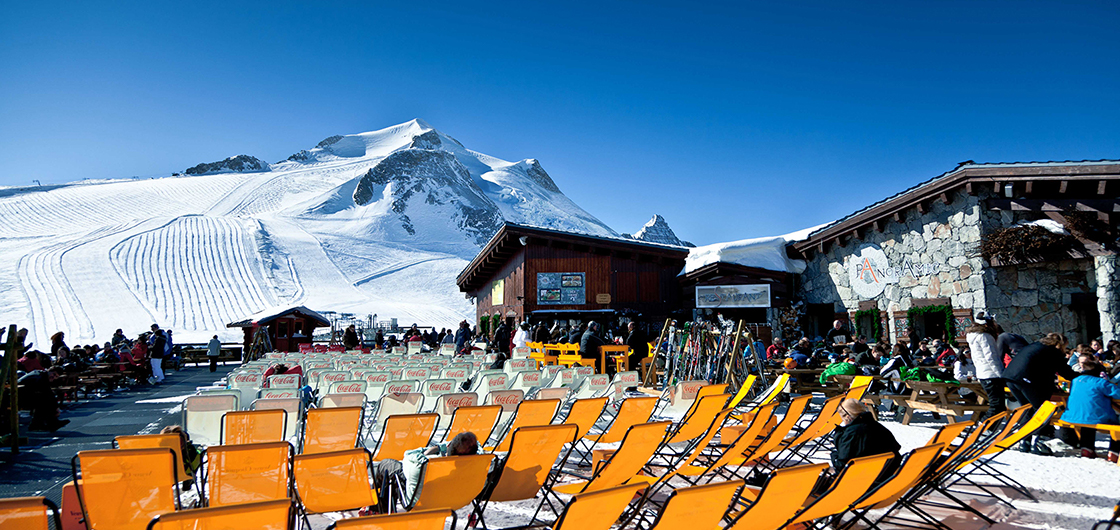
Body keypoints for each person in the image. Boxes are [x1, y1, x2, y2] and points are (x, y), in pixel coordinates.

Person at [1003, 333, 1078, 454]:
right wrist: (1082, 377)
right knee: (1043, 410)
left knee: (1028, 409)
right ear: (1060, 344)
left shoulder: (1036, 346)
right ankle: (1038, 442)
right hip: (1026, 378)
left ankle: (1024, 440)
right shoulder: (1053, 351)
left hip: (1011, 377)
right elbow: (1065, 371)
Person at [374, 432, 480, 511]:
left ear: (448, 447)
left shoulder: (424, 464)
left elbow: (408, 455)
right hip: (455, 501)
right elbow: (479, 447)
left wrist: (438, 447)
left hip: (419, 502)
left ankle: (377, 510)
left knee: (386, 465)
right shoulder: (478, 464)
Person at [1057, 358, 1120, 461]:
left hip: (1072, 415)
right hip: (1096, 417)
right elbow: (1117, 393)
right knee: (1116, 424)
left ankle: (1087, 448)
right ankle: (1114, 451)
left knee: (1087, 419)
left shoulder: (1075, 380)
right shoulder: (1101, 383)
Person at [831, 399, 901, 477]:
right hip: (887, 474)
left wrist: (834, 452)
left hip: (866, 479)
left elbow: (841, 467)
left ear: (848, 417)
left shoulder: (852, 434)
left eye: (843, 419)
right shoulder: (877, 426)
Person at [967, 312, 1005, 419]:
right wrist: (1000, 374)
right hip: (991, 374)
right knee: (996, 405)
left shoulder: (973, 336)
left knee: (997, 405)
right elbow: (991, 357)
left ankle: (991, 429)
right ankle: (986, 428)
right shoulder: (984, 336)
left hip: (982, 373)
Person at [19, 367, 69, 432]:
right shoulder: (41, 378)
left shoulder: (41, 375)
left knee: (44, 400)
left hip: (25, 395)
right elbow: (47, 392)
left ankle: (44, 424)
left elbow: (47, 392)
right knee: (44, 401)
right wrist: (56, 408)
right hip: (20, 397)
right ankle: (47, 424)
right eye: (53, 374)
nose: (53, 377)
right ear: (49, 370)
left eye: (56, 376)